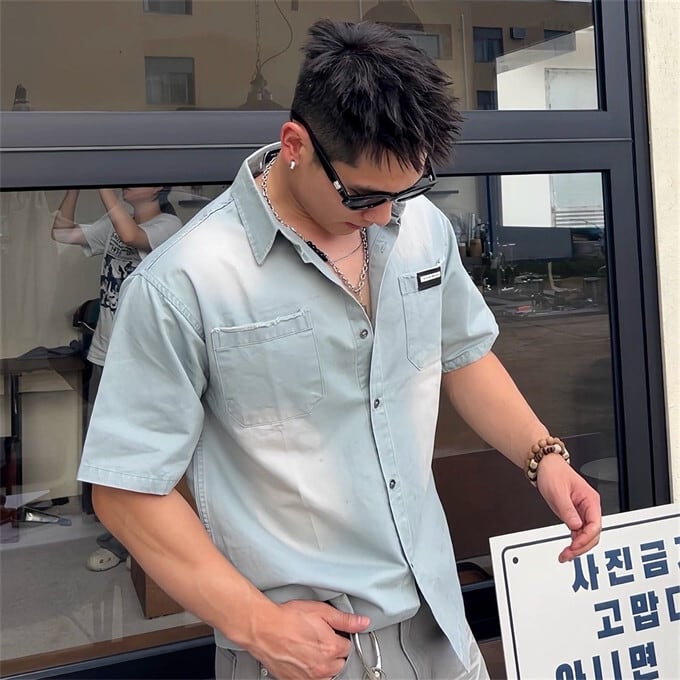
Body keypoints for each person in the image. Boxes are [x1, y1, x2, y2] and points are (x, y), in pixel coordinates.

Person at [77, 20, 601, 680]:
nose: (384, 215)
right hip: (305, 652)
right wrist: (254, 622)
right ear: (294, 144)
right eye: (363, 195)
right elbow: (125, 490)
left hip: (441, 624)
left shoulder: (420, 228)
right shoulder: (184, 282)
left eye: (407, 191)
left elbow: (463, 354)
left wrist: (542, 456)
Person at [52, 186, 182, 571]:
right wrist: (75, 186)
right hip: (104, 353)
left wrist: (104, 184)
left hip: (140, 360)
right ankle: (118, 532)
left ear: (158, 187)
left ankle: (125, 543)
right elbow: (61, 233)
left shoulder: (169, 225)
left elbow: (131, 235)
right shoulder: (113, 221)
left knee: (132, 453)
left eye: (135, 177)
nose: (127, 181)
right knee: (104, 450)